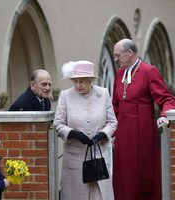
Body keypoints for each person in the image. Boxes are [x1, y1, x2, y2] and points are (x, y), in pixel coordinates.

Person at [112, 38, 175, 200]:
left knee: (141, 177)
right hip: (122, 137)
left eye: (118, 55)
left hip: (142, 135)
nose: (116, 59)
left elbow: (167, 99)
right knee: (123, 178)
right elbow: (115, 105)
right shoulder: (119, 74)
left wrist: (164, 115)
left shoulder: (149, 71)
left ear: (130, 53)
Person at [53, 60, 117, 200]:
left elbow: (112, 122)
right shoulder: (65, 95)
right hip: (75, 158)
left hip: (99, 158)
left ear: (90, 80)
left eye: (81, 81)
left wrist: (102, 135)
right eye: (75, 81)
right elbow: (58, 123)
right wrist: (73, 133)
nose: (78, 85)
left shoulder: (103, 94)